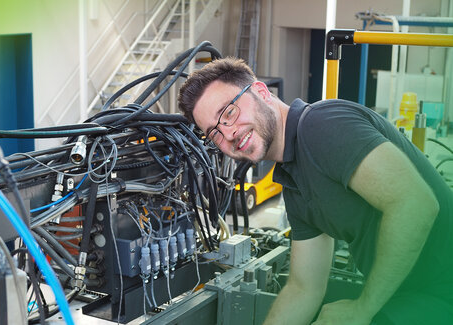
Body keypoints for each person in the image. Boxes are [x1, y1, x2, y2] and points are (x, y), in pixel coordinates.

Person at [178, 57, 453, 324]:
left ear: (261, 91)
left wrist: (363, 308)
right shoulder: (294, 180)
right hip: (407, 296)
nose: (228, 134)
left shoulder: (323, 124)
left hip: (440, 294)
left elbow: (416, 204)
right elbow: (304, 288)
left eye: (229, 112)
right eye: (214, 133)